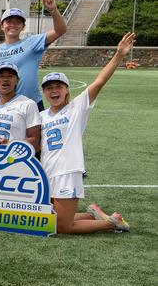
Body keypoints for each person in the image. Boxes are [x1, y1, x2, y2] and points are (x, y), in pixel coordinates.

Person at [40, 33, 135, 234]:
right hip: (46, 171)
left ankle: (112, 222)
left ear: (67, 90)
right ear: (44, 93)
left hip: (68, 171)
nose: (54, 91)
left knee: (62, 227)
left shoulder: (76, 107)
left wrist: (119, 55)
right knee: (49, 218)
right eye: (49, 88)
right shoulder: (41, 116)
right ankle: (93, 213)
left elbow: (99, 82)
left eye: (59, 86)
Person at [0, 0, 67, 107]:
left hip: (31, 103)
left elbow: (60, 30)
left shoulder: (32, 42)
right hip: (3, 104)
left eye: (18, 22)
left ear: (23, 26)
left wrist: (53, 10)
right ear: (2, 26)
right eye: (9, 21)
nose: (13, 24)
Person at [0, 63, 41, 147]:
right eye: (1, 76)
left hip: (13, 157)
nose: (5, 79)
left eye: (10, 76)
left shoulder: (27, 104)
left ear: (17, 80)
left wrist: (12, 143)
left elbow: (35, 140)